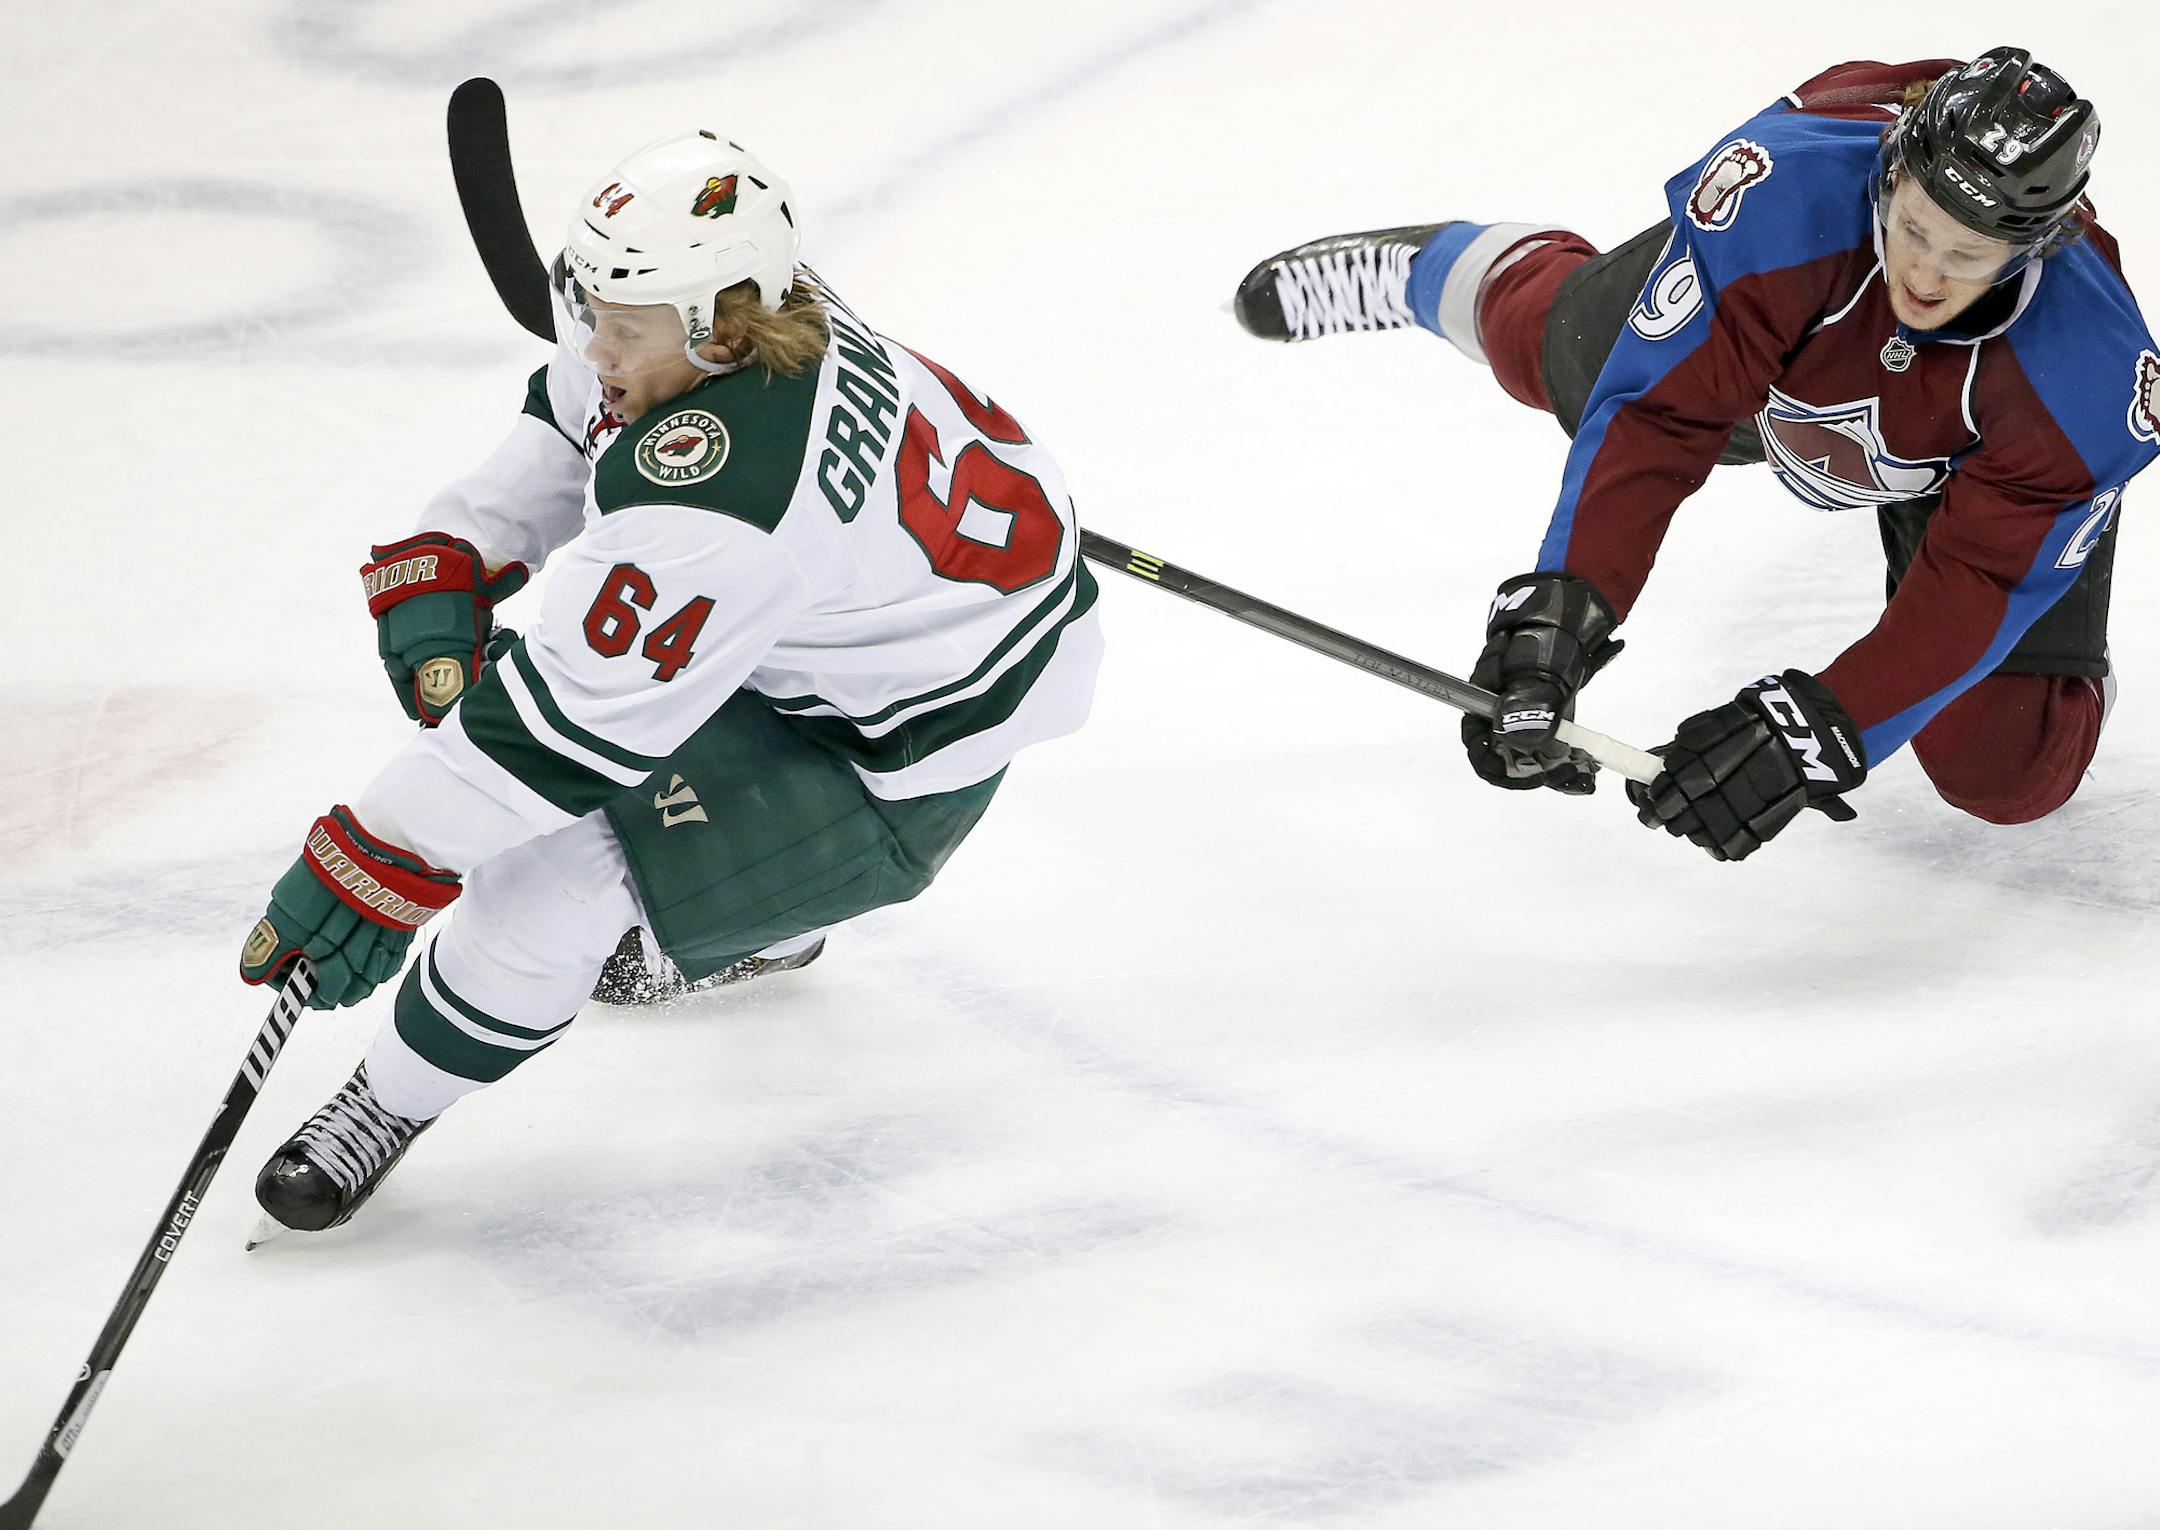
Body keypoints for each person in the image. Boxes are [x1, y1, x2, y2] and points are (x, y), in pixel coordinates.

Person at [239, 128, 1103, 1232]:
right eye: (594, 309)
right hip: (864, 634)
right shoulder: (734, 314)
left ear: (721, 321)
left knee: (547, 879)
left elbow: (551, 742)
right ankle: (749, 918)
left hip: (890, 766)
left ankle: (385, 1102)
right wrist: (464, 544)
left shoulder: (725, 496)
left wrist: (378, 857)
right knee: (529, 715)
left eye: (621, 326)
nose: (596, 345)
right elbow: (583, 407)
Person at [1232, 50, 2159, 860]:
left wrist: (1815, 730)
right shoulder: (1779, 205)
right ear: (1889, 173)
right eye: (1913, 228)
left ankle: (2065, 639)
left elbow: (1980, 585)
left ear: (2037, 247)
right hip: (1781, 351)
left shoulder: (2085, 378)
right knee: (1564, 355)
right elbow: (1660, 420)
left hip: (1964, 465)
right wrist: (1560, 614)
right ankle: (1445, 268)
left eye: (1966, 257)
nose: (1923, 273)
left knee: (2011, 770)